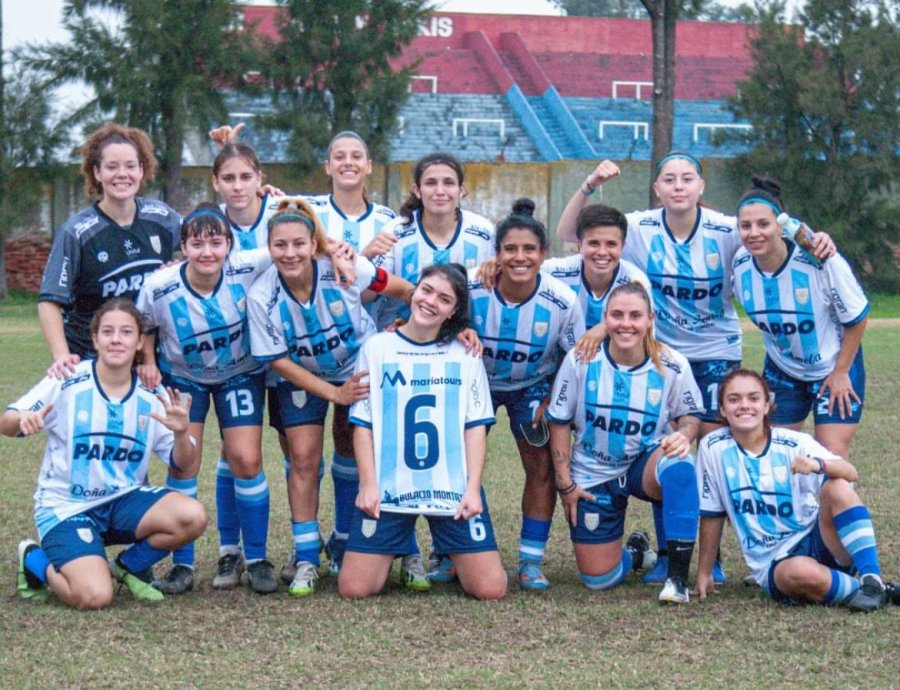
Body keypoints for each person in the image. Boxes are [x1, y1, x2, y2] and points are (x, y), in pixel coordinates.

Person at [556, 155, 832, 584]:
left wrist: (812, 237)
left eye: (687, 178)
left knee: (711, 448)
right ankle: (667, 552)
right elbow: (572, 234)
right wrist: (590, 183)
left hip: (715, 352)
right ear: (657, 188)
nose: (678, 186)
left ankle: (705, 558)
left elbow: (768, 227)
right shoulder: (642, 227)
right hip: (657, 353)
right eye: (669, 179)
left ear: (701, 186)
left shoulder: (725, 228)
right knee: (666, 450)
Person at [247, 198, 416, 596]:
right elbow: (281, 363)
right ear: (268, 248)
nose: (289, 253)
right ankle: (307, 555)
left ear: (313, 244)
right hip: (303, 376)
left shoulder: (345, 267)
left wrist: (409, 324)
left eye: (298, 244)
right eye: (280, 245)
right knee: (303, 458)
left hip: (356, 368)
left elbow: (402, 288)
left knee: (351, 452)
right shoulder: (261, 296)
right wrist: (333, 394)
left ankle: (343, 540)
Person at [3, 299, 207, 609]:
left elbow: (185, 467)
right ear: (95, 338)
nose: (116, 339)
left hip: (122, 502)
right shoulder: (67, 380)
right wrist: (23, 420)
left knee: (193, 516)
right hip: (67, 509)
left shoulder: (153, 394)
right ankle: (34, 558)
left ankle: (126, 566)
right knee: (94, 596)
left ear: (139, 341)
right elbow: (6, 422)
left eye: (126, 332)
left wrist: (182, 433)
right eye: (107, 331)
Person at [338, 264, 506, 600]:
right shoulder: (377, 348)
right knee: (355, 589)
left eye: (444, 299)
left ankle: (453, 556)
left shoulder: (467, 355)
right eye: (426, 290)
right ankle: (402, 550)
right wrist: (368, 486)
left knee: (490, 589)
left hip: (451, 489)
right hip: (389, 489)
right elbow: (364, 426)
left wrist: (472, 490)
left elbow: (475, 429)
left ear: (454, 311)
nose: (431, 301)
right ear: (414, 291)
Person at [135, 205, 275, 594]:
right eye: (197, 244)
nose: (208, 252)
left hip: (240, 374)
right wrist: (147, 360)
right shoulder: (159, 285)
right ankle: (182, 565)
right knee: (184, 464)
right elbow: (145, 325)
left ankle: (257, 557)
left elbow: (297, 244)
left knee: (246, 460)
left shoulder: (248, 265)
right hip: (184, 378)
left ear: (231, 244)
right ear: (183, 247)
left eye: (217, 242)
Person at [547, 282, 704, 604]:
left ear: (650, 319)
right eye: (617, 315)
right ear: (605, 318)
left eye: (635, 315)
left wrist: (684, 434)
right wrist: (565, 484)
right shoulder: (581, 359)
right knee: (598, 580)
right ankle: (636, 552)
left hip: (642, 462)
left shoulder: (672, 363)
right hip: (593, 472)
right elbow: (559, 421)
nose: (626, 323)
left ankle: (676, 578)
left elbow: (690, 417)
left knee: (679, 466)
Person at [696, 369, 897, 611]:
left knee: (837, 486)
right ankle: (879, 591)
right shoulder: (713, 447)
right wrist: (704, 572)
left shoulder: (793, 442)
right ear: (722, 410)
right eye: (734, 399)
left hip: (818, 537)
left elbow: (850, 472)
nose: (744, 405)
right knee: (798, 572)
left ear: (767, 405)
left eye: (753, 398)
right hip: (777, 561)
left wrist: (817, 465)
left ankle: (871, 580)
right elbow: (712, 513)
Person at [466, 199, 584, 590]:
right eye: (510, 249)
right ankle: (454, 553)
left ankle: (530, 562)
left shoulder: (562, 300)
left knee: (540, 466)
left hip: (532, 385)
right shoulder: (471, 286)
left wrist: (555, 394)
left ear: (543, 255)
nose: (520, 257)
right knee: (462, 467)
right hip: (476, 383)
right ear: (496, 254)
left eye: (529, 249)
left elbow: (574, 356)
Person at [732, 177, 867, 462]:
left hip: (832, 366)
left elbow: (856, 319)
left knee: (830, 457)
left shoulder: (820, 260)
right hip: (783, 370)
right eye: (746, 226)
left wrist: (841, 372)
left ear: (781, 226)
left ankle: (835, 507)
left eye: (763, 224)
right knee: (774, 453)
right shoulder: (740, 264)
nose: (754, 233)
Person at [38, 123, 181, 376]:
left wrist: (258, 199)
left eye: (130, 166)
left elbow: (212, 239)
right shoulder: (77, 232)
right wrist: (62, 357)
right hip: (90, 358)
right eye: (112, 167)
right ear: (97, 172)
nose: (122, 174)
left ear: (142, 170)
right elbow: (49, 301)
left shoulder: (163, 218)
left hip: (149, 361)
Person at [372, 152, 495, 331]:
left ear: (461, 190)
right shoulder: (395, 232)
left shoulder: (484, 232)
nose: (440, 191)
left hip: (464, 339)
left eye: (448, 183)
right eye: (430, 183)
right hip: (399, 338)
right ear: (417, 190)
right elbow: (369, 289)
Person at [541, 203, 651, 330]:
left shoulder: (636, 282)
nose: (602, 252)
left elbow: (644, 337)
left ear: (622, 247)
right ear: (579, 245)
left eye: (611, 244)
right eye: (594, 243)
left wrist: (604, 330)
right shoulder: (555, 272)